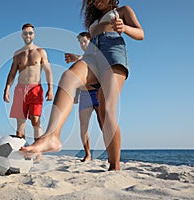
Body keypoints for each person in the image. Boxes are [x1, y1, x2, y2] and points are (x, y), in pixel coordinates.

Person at [21, 0, 144, 171]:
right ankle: (52, 136)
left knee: (106, 108)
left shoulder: (123, 11)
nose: (96, 2)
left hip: (113, 51)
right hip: (92, 54)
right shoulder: (93, 22)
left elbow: (141, 33)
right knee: (68, 78)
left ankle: (114, 165)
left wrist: (125, 28)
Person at [3, 23, 53, 160]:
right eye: (25, 33)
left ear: (34, 34)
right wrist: (7, 88)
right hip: (20, 89)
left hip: (35, 88)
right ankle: (22, 151)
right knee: (20, 124)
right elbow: (12, 72)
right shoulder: (18, 54)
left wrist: (50, 88)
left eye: (30, 33)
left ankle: (38, 151)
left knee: (35, 119)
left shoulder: (41, 51)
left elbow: (48, 70)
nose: (28, 35)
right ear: (22, 35)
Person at [65, 32, 102, 162]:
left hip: (97, 92)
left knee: (103, 123)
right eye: (80, 42)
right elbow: (79, 79)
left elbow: (87, 60)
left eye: (84, 41)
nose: (82, 44)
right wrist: (76, 95)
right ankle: (87, 154)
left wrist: (76, 58)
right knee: (83, 126)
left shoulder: (97, 55)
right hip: (85, 94)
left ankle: (111, 153)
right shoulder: (82, 59)